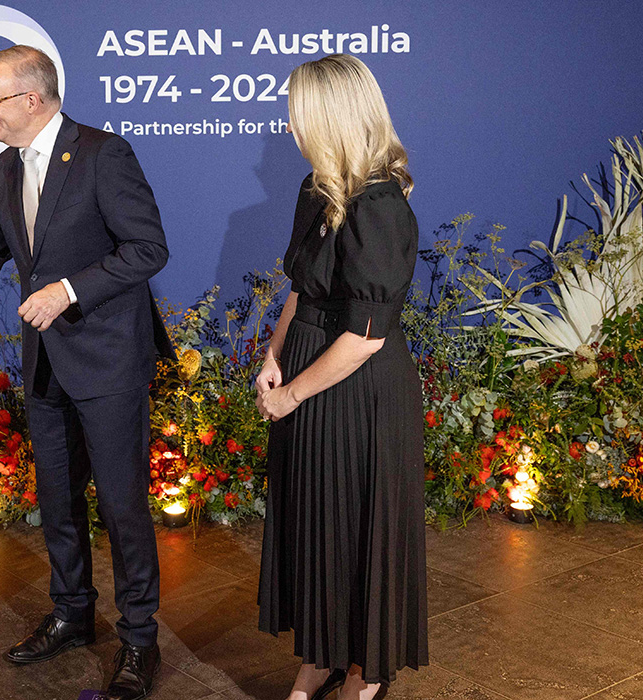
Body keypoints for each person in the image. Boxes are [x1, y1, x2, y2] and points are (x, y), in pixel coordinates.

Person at [0, 45, 174, 700]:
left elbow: (148, 248)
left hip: (107, 361)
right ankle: (73, 614)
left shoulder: (105, 155)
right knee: (56, 500)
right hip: (45, 364)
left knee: (122, 506)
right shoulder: (2, 169)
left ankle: (139, 638)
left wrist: (69, 290)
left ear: (31, 99)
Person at [254, 54, 427, 700]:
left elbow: (363, 336)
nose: (292, 128)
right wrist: (275, 356)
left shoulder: (380, 207)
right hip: (306, 375)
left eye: (300, 116)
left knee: (358, 528)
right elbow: (302, 288)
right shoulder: (315, 189)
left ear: (332, 119)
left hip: (359, 394)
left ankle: (366, 668)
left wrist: (293, 394)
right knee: (317, 524)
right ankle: (321, 656)